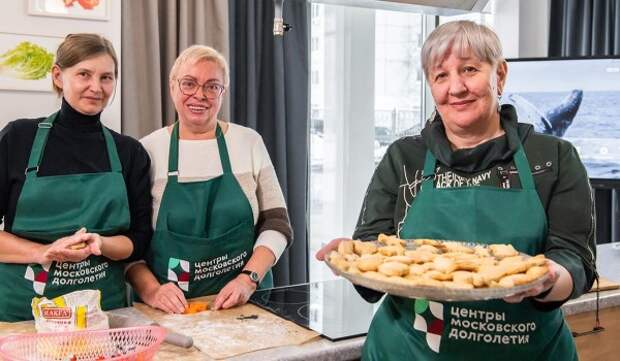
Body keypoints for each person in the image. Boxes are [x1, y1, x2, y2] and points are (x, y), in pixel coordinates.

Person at [316, 21, 596, 361]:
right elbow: (374, 249)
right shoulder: (405, 157)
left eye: (470, 69)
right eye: (441, 76)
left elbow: (575, 259)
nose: (456, 87)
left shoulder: (553, 158)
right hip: (408, 352)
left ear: (500, 75)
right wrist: (352, 259)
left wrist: (546, 279)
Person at [126, 45, 292, 313]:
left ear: (223, 92)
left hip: (245, 305)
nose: (199, 95)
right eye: (189, 83)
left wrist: (248, 279)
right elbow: (131, 243)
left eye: (212, 86)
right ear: (172, 87)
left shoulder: (248, 142)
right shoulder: (147, 151)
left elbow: (278, 223)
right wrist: (152, 291)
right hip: (171, 311)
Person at [0, 33, 153, 321]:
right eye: (84, 74)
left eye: (106, 77)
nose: (96, 87)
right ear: (58, 76)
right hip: (24, 315)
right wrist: (43, 251)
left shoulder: (129, 152)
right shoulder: (17, 139)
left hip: (103, 314)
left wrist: (102, 243)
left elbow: (139, 240)